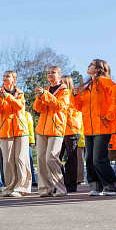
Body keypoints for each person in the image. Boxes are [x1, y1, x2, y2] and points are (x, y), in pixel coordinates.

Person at [72, 59, 116, 196]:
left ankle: (113, 186)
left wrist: (109, 115)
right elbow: (79, 107)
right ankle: (95, 186)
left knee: (98, 158)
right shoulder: (88, 85)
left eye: (91, 64)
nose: (88, 65)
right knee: (90, 159)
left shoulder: (103, 81)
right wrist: (75, 96)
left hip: (103, 126)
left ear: (98, 68)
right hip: (89, 128)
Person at [0, 71, 32, 197]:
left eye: (7, 76)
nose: (4, 78)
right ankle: (9, 188)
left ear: (14, 80)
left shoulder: (20, 93)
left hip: (21, 130)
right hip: (5, 131)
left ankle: (21, 188)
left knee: (21, 159)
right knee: (7, 161)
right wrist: (1, 98)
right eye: (3, 76)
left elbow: (19, 106)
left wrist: (7, 97)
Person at [33, 66, 70, 197]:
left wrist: (45, 95)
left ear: (59, 75)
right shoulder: (46, 90)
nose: (50, 74)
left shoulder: (65, 90)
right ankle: (45, 188)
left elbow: (59, 106)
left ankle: (61, 188)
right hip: (42, 129)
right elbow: (37, 109)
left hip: (56, 129)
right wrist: (39, 97)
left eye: (53, 72)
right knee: (41, 160)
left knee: (51, 158)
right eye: (48, 73)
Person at [59, 75, 81, 192]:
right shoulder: (58, 94)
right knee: (56, 158)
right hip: (59, 130)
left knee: (71, 158)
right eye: (61, 82)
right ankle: (60, 184)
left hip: (71, 130)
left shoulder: (73, 95)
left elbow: (77, 109)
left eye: (65, 82)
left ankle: (71, 185)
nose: (63, 84)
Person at [25, 111, 38, 186]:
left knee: (29, 161)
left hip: (27, 141)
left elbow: (30, 129)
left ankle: (32, 180)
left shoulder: (27, 115)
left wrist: (31, 141)